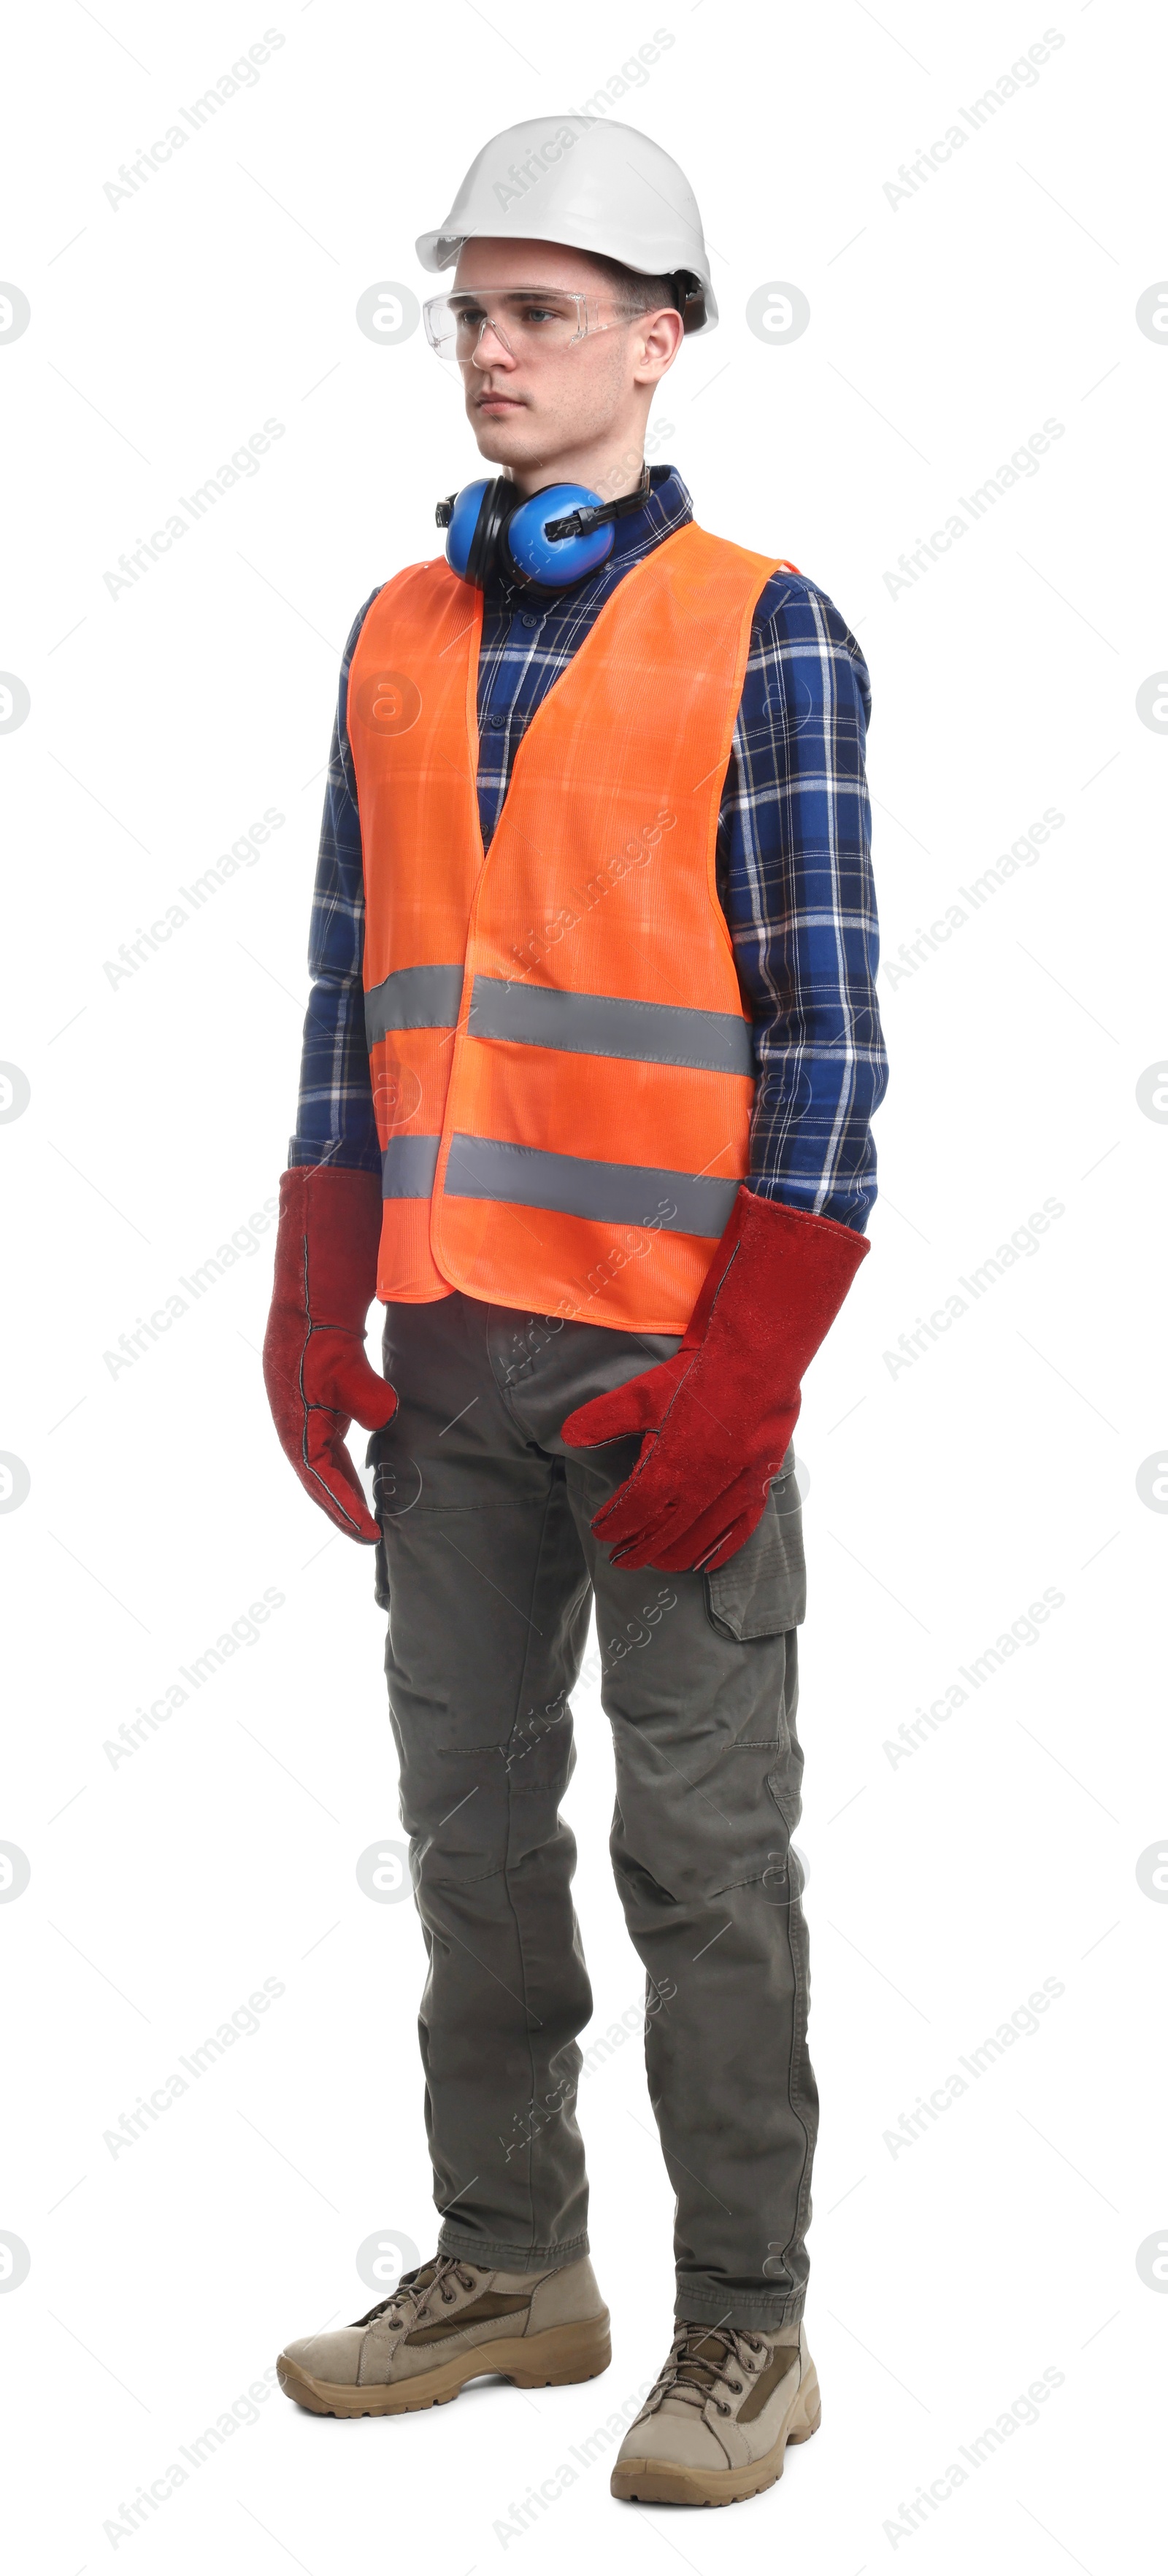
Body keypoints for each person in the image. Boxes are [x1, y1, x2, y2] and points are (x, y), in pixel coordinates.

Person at [263, 115, 887, 2509]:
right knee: (469, 1838)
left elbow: (829, 1041)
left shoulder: (765, 625)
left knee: (705, 1861)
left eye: (539, 310)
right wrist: (322, 1295)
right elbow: (352, 991)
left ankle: (749, 2323)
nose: (492, 350)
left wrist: (748, 1370)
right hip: (447, 1362)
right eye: (471, 309)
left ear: (661, 338)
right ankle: (516, 2259)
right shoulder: (395, 635)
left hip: (667, 1367)